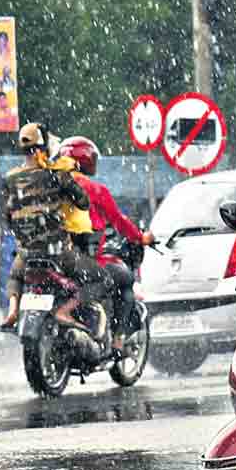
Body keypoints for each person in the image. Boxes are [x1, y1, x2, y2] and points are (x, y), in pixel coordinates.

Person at [0, 122, 102, 332]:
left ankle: (12, 309)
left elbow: (8, 216)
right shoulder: (57, 174)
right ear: (44, 147)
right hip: (59, 253)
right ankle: (66, 309)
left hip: (27, 254)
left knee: (14, 276)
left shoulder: (10, 179)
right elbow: (83, 202)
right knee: (101, 280)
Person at [58, 135, 147, 352]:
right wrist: (141, 237)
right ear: (86, 160)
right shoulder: (93, 189)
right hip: (86, 260)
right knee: (125, 278)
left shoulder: (51, 186)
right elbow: (119, 220)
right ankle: (118, 339)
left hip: (54, 258)